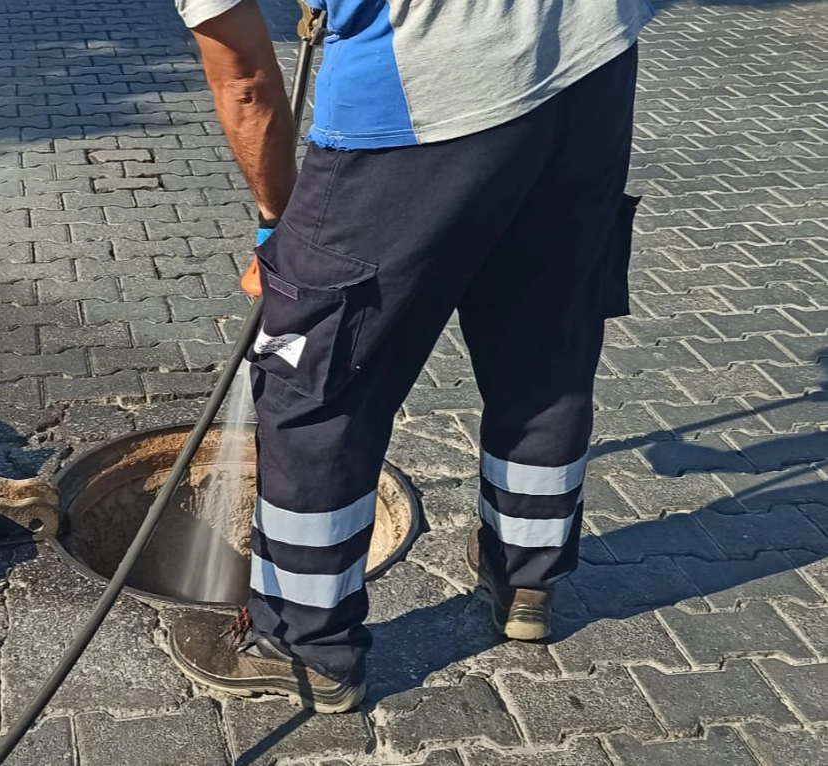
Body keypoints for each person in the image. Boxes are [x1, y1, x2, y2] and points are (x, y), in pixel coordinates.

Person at [164, 0, 653, 713]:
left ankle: (300, 646)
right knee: (542, 342)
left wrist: (278, 225)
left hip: (423, 98)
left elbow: (242, 77)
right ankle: (524, 577)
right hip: (591, 65)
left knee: (316, 383)